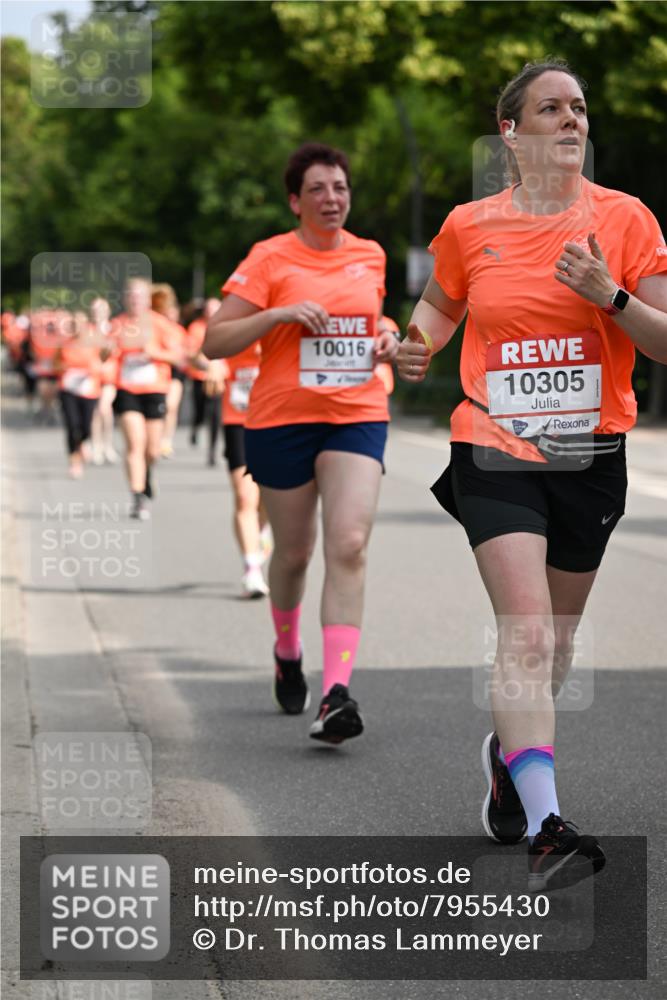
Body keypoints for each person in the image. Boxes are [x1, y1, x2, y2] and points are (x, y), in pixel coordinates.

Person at [397, 60, 667, 890]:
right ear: (510, 134)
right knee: (526, 632)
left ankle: (508, 758)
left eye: (578, 107)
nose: (571, 119)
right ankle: (549, 826)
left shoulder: (625, 219)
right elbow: (440, 304)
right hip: (493, 445)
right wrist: (416, 345)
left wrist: (610, 295)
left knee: (557, 639)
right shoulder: (469, 225)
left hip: (589, 454)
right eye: (551, 108)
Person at [204, 142, 399, 743]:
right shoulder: (270, 257)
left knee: (350, 544)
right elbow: (215, 340)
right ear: (295, 201)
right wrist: (277, 315)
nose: (331, 198)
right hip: (282, 419)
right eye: (317, 188)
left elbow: (373, 320)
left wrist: (388, 335)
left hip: (355, 413)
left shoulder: (370, 254)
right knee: (292, 554)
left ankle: (336, 693)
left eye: (339, 187)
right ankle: (287, 650)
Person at [112, 278, 181, 520]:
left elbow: (178, 356)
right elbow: (104, 357)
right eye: (131, 295)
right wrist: (108, 352)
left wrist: (154, 353)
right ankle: (138, 497)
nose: (135, 299)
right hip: (127, 389)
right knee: (135, 444)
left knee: (152, 449)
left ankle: (147, 474)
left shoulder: (160, 324)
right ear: (125, 298)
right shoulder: (117, 325)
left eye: (139, 295)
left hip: (154, 389)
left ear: (147, 299)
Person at [213, 336, 272, 598]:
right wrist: (211, 363)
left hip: (277, 421)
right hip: (239, 421)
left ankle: (262, 529)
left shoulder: (285, 324)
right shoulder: (236, 324)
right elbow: (206, 347)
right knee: (244, 497)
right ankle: (252, 569)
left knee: (268, 496)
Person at [53, 310, 103, 478]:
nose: (77, 327)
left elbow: (105, 362)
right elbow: (55, 365)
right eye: (73, 324)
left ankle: (83, 443)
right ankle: (74, 461)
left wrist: (94, 369)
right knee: (72, 425)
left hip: (89, 389)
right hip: (68, 390)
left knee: (86, 427)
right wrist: (67, 368)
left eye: (80, 323)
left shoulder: (95, 343)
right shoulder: (64, 344)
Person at [184, 298, 223, 465]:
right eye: (208, 309)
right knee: (199, 411)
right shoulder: (196, 327)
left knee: (215, 414)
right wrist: (206, 365)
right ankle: (195, 426)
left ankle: (212, 451)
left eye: (214, 309)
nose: (211, 313)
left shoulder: (226, 326)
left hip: (219, 379)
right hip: (199, 376)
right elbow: (191, 353)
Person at [151, 284, 187, 459]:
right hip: (157, 370)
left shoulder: (178, 331)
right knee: (160, 407)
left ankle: (166, 441)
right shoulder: (154, 325)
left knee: (171, 406)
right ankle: (155, 439)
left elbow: (184, 354)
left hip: (175, 372)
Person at [89, 296, 119, 465]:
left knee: (104, 408)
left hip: (109, 377)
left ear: (108, 312)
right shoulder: (87, 331)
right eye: (94, 310)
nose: (97, 313)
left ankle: (108, 445)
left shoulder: (114, 330)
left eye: (100, 310)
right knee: (95, 413)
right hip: (91, 378)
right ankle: (96, 445)